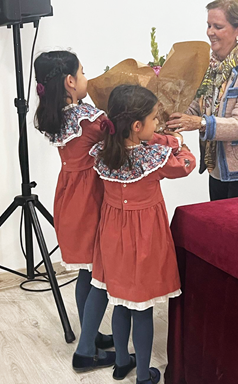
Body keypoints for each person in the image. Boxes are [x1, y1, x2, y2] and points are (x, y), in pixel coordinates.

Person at [89, 84, 196, 383]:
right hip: (145, 237)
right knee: (143, 307)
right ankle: (145, 376)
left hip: (111, 235)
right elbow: (187, 165)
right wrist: (180, 144)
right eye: (154, 119)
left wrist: (161, 137)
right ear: (138, 126)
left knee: (121, 300)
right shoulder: (154, 159)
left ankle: (122, 361)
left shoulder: (101, 152)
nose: (157, 124)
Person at [32, 50, 115, 371]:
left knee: (86, 269)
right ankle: (84, 352)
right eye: (82, 73)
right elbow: (118, 140)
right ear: (70, 81)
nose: (85, 77)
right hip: (91, 200)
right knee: (101, 276)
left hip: (68, 199)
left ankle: (90, 335)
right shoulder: (90, 120)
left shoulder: (55, 116)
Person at [166, 0, 238, 201]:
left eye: (217, 26)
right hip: (217, 169)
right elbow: (196, 105)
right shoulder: (210, 65)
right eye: (208, 25)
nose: (210, 32)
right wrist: (166, 117)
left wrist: (199, 123)